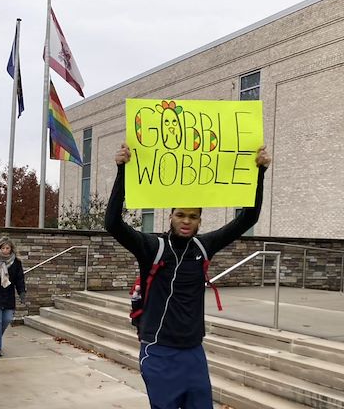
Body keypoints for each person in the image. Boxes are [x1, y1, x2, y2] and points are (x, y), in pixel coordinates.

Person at [104, 142, 271, 409]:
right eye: (180, 214)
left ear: (200, 221)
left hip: (193, 352)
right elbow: (112, 223)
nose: (186, 220)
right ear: (170, 216)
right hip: (158, 351)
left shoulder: (204, 247)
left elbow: (248, 218)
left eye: (193, 216)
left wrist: (259, 172)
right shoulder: (153, 248)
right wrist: (122, 169)